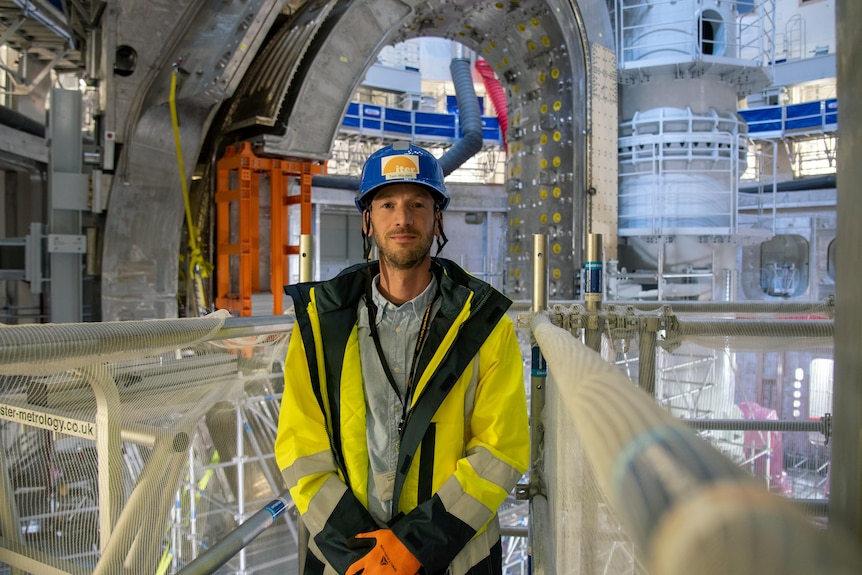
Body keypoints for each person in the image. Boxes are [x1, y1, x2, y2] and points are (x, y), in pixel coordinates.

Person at [275, 141, 530, 575]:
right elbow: (301, 448)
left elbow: (500, 450)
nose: (403, 218)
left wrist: (413, 548)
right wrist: (365, 556)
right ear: (368, 220)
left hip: (450, 560)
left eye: (417, 203)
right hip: (349, 562)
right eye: (387, 203)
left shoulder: (485, 327)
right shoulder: (320, 327)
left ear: (437, 218)